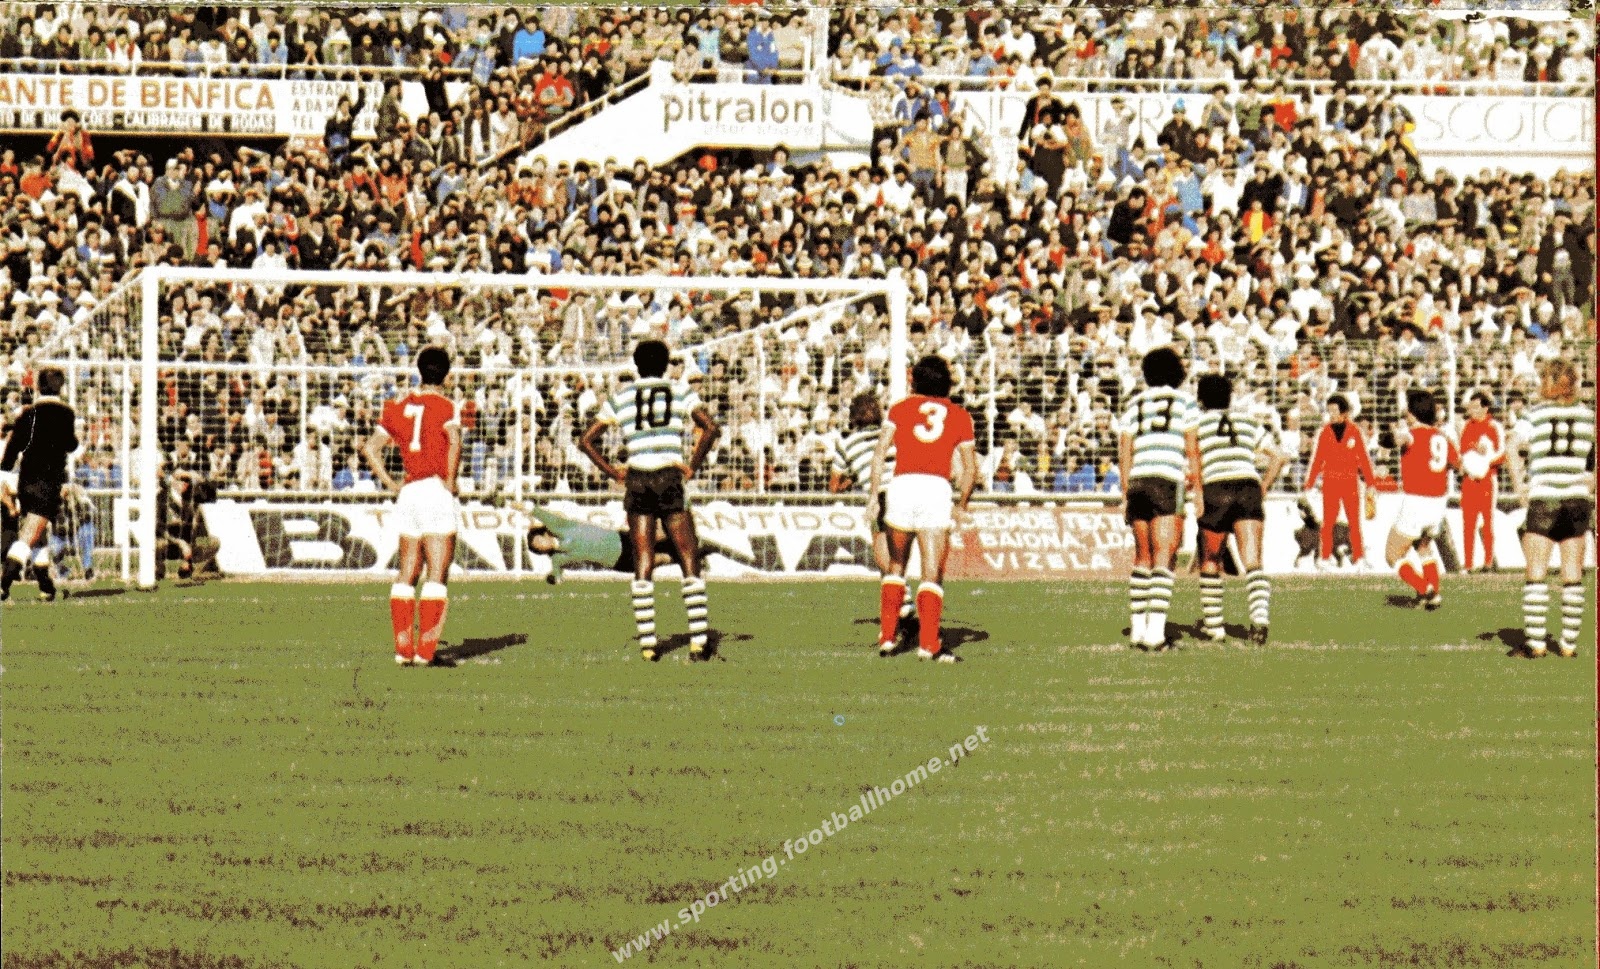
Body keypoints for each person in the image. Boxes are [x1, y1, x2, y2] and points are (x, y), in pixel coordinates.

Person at [579, 340, 720, 663]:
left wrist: (613, 472)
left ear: (637, 365)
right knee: (688, 555)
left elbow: (586, 440)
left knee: (643, 558)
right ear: (667, 364)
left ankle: (648, 645)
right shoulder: (680, 391)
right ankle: (699, 642)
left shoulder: (622, 397)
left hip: (638, 478)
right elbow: (711, 428)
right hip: (669, 476)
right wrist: (693, 466)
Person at [869, 355, 977, 663]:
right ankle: (928, 645)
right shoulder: (959, 415)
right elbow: (970, 469)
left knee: (896, 565)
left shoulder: (900, 408)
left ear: (915, 380)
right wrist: (962, 504)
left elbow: (880, 453)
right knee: (932, 570)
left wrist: (874, 495)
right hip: (935, 488)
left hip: (902, 485)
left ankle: (887, 638)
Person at [363, 347, 462, 667]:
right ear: (446, 376)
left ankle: (402, 650)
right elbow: (454, 441)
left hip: (409, 492)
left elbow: (370, 448)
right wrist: (451, 481)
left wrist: (391, 484)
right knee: (437, 570)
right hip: (434, 488)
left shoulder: (398, 406)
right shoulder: (447, 405)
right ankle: (425, 653)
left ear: (419, 371)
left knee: (407, 570)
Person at [1186, 374, 1287, 645]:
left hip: (1215, 488)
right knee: (1253, 560)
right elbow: (1278, 457)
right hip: (1247, 487)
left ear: (1201, 399)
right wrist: (1262, 487)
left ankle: (1215, 628)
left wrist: (1196, 491)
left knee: (1211, 559)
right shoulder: (1248, 421)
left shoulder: (1197, 424)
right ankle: (1259, 621)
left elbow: (1194, 463)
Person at [1507, 359, 1594, 658]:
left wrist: (1520, 487)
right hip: (1577, 499)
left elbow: (1512, 447)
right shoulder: (1588, 416)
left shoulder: (1534, 414)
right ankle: (1568, 645)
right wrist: (1590, 481)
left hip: (1544, 497)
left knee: (1536, 573)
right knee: (1572, 574)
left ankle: (1536, 644)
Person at [1117, 347, 1197, 651]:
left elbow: (1125, 450)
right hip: (1167, 478)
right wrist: (1197, 484)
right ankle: (1155, 634)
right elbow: (1192, 448)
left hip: (1138, 480)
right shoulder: (1185, 401)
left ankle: (1138, 631)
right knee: (1165, 555)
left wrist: (1126, 491)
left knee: (1143, 557)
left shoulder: (1134, 403)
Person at [829, 392, 912, 631]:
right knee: (903, 553)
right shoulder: (892, 434)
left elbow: (834, 486)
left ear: (853, 416)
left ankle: (905, 600)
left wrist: (854, 478)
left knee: (883, 553)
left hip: (882, 496)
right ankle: (901, 609)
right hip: (907, 490)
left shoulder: (846, 443)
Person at [1, 367, 78, 603]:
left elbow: (13, 446)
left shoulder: (28, 413)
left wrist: (5, 469)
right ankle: (4, 582)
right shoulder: (66, 413)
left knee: (37, 533)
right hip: (48, 480)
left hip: (26, 480)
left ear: (37, 386)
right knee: (30, 535)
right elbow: (71, 444)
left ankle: (46, 586)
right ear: (61, 387)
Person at [1386, 388, 1459, 610]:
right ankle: (1434, 595)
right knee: (1424, 547)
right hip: (1438, 503)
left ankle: (1423, 587)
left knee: (1392, 554)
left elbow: (1397, 439)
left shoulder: (1412, 434)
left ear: (1413, 411)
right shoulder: (1443, 437)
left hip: (1416, 501)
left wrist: (1388, 438)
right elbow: (1457, 464)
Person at [1304, 393, 1376, 570]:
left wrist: (1371, 483)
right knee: (1328, 523)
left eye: (1334, 410)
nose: (1331, 414)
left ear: (1344, 412)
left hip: (1350, 483)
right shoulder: (1325, 432)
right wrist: (1309, 483)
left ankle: (1359, 557)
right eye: (1329, 411)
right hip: (1330, 483)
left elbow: (1363, 459)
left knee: (1354, 522)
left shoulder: (1354, 431)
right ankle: (1324, 557)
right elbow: (1318, 459)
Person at [525, 506, 681, 583]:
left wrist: (525, 508)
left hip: (619, 539)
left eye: (539, 541)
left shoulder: (561, 528)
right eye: (537, 548)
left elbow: (543, 515)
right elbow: (557, 576)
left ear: (545, 533)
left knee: (656, 536)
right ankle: (684, 557)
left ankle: (685, 538)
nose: (541, 546)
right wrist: (552, 578)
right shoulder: (557, 558)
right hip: (616, 561)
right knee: (661, 559)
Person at [1458, 390, 1506, 572]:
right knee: (1468, 523)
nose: (1472, 411)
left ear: (1486, 408)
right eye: (1470, 407)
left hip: (1487, 480)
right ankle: (1468, 564)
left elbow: (1502, 454)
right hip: (1469, 480)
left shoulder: (1494, 426)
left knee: (1487, 522)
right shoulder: (1466, 426)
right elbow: (1463, 451)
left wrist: (1486, 461)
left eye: (1476, 407)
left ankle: (1488, 562)